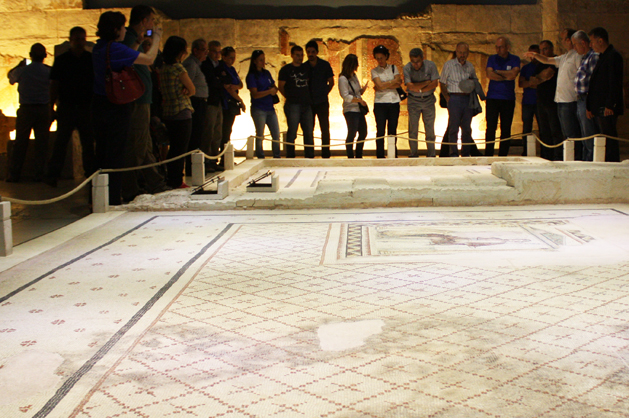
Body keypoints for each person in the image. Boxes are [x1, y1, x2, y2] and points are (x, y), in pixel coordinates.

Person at [91, 11, 162, 205]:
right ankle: (113, 198)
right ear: (116, 29)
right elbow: (149, 59)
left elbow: (125, 56)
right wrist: (156, 38)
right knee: (116, 153)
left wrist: (137, 42)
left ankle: (98, 197)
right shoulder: (115, 49)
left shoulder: (99, 47)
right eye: (123, 27)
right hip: (116, 105)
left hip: (99, 102)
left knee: (102, 152)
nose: (125, 30)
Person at [120, 5, 168, 202]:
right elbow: (148, 59)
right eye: (152, 20)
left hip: (142, 99)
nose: (153, 24)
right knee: (138, 144)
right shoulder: (129, 38)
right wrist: (156, 38)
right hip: (137, 99)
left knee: (143, 143)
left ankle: (152, 182)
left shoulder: (135, 38)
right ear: (144, 21)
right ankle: (134, 187)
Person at [45, 27, 94, 187]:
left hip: (85, 106)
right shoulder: (62, 60)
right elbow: (55, 84)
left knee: (88, 143)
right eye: (77, 39)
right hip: (67, 106)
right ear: (71, 40)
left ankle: (91, 174)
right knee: (61, 143)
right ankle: (53, 175)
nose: (80, 42)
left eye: (82, 39)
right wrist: (51, 106)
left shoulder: (90, 59)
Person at [525, 29, 581, 159]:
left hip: (569, 100)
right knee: (553, 131)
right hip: (559, 100)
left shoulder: (577, 56)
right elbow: (546, 60)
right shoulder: (564, 57)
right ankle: (551, 157)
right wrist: (535, 55)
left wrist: (538, 79)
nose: (562, 42)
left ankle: (567, 157)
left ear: (569, 40)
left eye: (563, 39)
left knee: (565, 132)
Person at [6, 43, 51, 182]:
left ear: (30, 55)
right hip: (43, 109)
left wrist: (19, 65)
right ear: (45, 56)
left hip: (26, 109)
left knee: (20, 143)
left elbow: (11, 77)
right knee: (42, 143)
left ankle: (15, 174)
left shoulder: (23, 71)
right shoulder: (48, 71)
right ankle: (39, 173)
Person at [160, 36, 196, 188]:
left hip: (168, 111)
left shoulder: (163, 68)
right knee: (180, 149)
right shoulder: (178, 68)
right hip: (181, 111)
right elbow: (192, 89)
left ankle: (171, 178)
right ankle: (176, 180)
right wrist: (186, 89)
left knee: (173, 147)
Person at [587, 27, 624, 162]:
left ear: (600, 41)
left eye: (592, 41)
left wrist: (610, 104)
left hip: (606, 106)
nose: (590, 45)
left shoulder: (613, 56)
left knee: (609, 137)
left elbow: (615, 82)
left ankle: (612, 162)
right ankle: (605, 161)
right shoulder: (603, 56)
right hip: (599, 105)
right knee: (602, 137)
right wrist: (589, 106)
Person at [439, 42, 477, 157]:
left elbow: (474, 81)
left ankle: (465, 153)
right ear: (456, 52)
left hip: (467, 98)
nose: (462, 55)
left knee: (467, 128)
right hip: (454, 98)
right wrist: (447, 98)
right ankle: (453, 153)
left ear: (468, 53)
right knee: (453, 128)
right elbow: (442, 82)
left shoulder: (470, 66)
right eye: (460, 52)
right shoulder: (449, 65)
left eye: (464, 53)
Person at [484, 36, 520, 156]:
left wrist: (497, 72)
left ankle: (503, 155)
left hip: (508, 98)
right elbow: (489, 74)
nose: (498, 50)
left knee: (506, 128)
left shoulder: (515, 59)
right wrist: (505, 75)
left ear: (507, 47)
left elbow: (513, 74)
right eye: (497, 47)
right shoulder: (492, 58)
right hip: (493, 97)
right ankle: (488, 154)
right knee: (490, 127)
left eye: (501, 47)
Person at [278, 45, 314, 158]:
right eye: (297, 55)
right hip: (293, 104)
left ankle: (309, 156)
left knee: (308, 132)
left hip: (306, 103)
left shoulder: (306, 68)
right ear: (292, 55)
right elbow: (281, 86)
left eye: (301, 55)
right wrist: (289, 96)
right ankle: (290, 156)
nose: (300, 57)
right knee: (292, 131)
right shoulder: (286, 70)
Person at [404, 47, 439, 158]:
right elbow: (410, 87)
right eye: (413, 62)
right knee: (413, 129)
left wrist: (418, 88)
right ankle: (413, 154)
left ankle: (431, 154)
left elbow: (435, 83)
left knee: (430, 128)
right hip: (413, 100)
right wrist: (425, 84)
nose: (415, 64)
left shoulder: (431, 65)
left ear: (423, 59)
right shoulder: (407, 68)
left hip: (428, 100)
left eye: (418, 61)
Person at [246, 49, 281, 159]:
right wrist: (269, 92)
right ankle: (260, 156)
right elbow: (255, 94)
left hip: (270, 108)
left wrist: (274, 90)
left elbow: (273, 85)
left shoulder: (266, 73)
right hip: (259, 108)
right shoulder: (252, 76)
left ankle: (277, 156)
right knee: (260, 134)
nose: (263, 62)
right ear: (255, 61)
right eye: (260, 60)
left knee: (276, 133)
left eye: (264, 59)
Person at [533, 40, 564, 161]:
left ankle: (557, 156)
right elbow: (533, 81)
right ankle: (546, 156)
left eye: (545, 49)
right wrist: (539, 78)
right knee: (543, 130)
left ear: (551, 49)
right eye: (540, 50)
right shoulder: (539, 64)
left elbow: (546, 75)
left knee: (555, 130)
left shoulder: (555, 61)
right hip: (541, 101)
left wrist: (539, 78)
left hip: (552, 101)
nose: (542, 52)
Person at [572, 30, 599, 161]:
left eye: (575, 45)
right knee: (584, 132)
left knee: (589, 132)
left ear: (583, 43)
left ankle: (591, 159)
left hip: (587, 98)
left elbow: (594, 82)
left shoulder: (593, 57)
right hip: (581, 99)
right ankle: (586, 158)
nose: (574, 48)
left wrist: (589, 104)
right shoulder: (585, 57)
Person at [183, 38, 209, 172]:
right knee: (194, 135)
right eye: (204, 50)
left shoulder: (197, 64)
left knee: (199, 135)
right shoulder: (191, 64)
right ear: (195, 50)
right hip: (195, 102)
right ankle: (191, 167)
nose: (206, 53)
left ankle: (196, 167)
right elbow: (187, 85)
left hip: (200, 102)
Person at [371, 45, 402, 158]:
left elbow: (399, 83)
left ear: (386, 57)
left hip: (394, 102)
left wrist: (383, 86)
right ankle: (380, 155)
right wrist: (392, 82)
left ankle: (392, 154)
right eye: (377, 58)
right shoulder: (374, 71)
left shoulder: (393, 68)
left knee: (392, 129)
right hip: (380, 103)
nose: (380, 60)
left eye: (381, 58)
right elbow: (379, 85)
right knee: (380, 130)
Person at [201, 40, 227, 171]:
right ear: (208, 52)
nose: (217, 55)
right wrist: (219, 79)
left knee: (217, 132)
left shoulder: (221, 64)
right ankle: (206, 161)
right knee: (208, 132)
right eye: (214, 52)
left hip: (219, 101)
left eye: (219, 52)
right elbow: (212, 81)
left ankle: (214, 160)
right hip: (210, 101)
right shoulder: (205, 64)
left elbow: (226, 79)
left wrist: (220, 79)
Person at [305, 40, 334, 158]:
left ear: (317, 52)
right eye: (308, 52)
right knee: (308, 129)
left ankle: (326, 153)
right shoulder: (304, 67)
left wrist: (324, 92)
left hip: (322, 101)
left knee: (325, 128)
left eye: (313, 52)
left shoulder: (324, 65)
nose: (310, 54)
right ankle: (309, 153)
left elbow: (331, 82)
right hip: (309, 102)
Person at [218, 46, 245, 167]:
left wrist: (236, 87)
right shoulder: (221, 69)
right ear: (223, 57)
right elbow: (228, 88)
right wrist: (240, 100)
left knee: (228, 130)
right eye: (230, 57)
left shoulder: (232, 69)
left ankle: (226, 158)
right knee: (224, 131)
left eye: (234, 57)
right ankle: (223, 159)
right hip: (225, 103)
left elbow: (240, 84)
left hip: (232, 104)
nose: (232, 60)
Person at [338, 54, 368, 158]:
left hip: (358, 109)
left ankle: (359, 154)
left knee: (363, 132)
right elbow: (345, 96)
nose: (358, 66)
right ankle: (350, 156)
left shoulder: (354, 76)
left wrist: (363, 90)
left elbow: (357, 92)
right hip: (350, 109)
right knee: (352, 133)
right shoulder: (343, 78)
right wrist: (359, 100)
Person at [518, 44, 540, 156]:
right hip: (527, 101)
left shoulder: (543, 66)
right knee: (526, 127)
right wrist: (532, 83)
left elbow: (542, 82)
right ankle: (526, 150)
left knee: (543, 126)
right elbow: (521, 83)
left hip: (540, 102)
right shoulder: (526, 68)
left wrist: (533, 83)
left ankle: (545, 151)